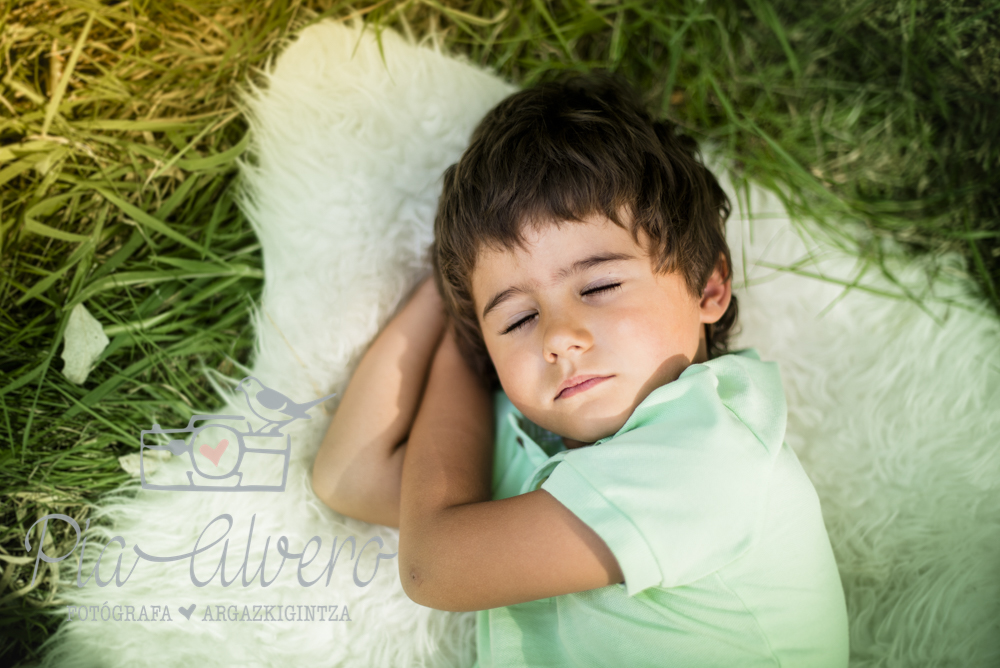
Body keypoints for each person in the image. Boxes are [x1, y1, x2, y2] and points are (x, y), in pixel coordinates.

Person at [312, 73, 850, 667]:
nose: (558, 338)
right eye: (517, 320)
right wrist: (451, 306)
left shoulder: (711, 452)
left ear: (709, 286)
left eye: (599, 285)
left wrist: (465, 338)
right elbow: (350, 475)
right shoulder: (539, 452)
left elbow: (431, 563)